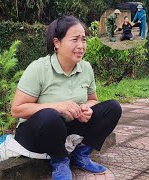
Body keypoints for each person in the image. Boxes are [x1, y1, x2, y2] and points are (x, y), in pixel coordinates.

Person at [11, 16, 122, 180]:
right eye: (75, 39)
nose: (81, 46)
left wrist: (86, 108)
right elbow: (17, 110)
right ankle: (60, 160)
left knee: (113, 108)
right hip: (38, 131)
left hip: (68, 127)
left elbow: (93, 99)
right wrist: (58, 106)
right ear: (57, 43)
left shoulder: (86, 68)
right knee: (50, 115)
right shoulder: (39, 68)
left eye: (84, 40)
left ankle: (81, 155)